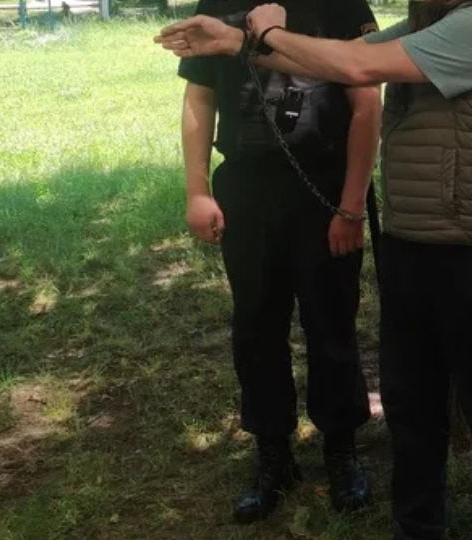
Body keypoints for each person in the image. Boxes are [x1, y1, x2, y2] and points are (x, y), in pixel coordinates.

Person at [158, 1, 472, 538]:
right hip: (414, 242)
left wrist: (267, 33)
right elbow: (339, 57)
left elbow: (356, 70)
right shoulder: (429, 24)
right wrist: (235, 41)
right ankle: (416, 527)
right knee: (412, 405)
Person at [162, 0, 382, 524]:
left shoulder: (341, 4)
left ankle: (341, 450)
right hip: (247, 188)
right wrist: (197, 191)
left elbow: (367, 103)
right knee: (256, 326)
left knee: (332, 322)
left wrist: (351, 206)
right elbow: (199, 97)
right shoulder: (217, 6)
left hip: (325, 188)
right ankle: (273, 455)